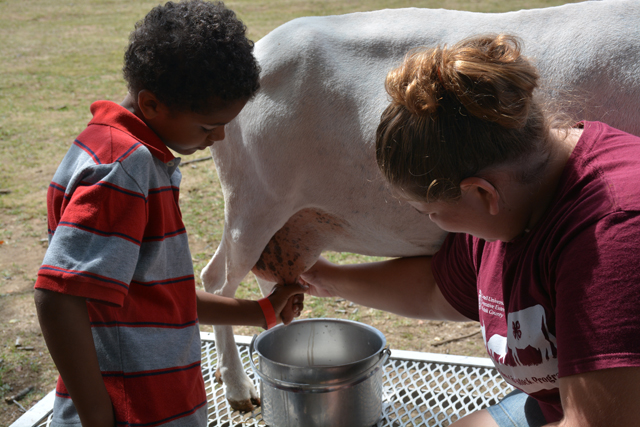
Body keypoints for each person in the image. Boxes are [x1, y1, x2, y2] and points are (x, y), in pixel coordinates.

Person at [298, 34, 640, 427]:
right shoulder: (519, 196)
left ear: (481, 192)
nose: (434, 223)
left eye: (432, 212)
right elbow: (436, 289)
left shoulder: (615, 235)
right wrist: (325, 278)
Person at [33, 2, 305, 426]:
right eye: (207, 126)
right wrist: (96, 417)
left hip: (159, 402)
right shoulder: (123, 167)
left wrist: (260, 312)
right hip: (132, 410)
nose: (219, 138)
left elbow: (157, 298)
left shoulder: (128, 154)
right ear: (152, 104)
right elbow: (58, 297)